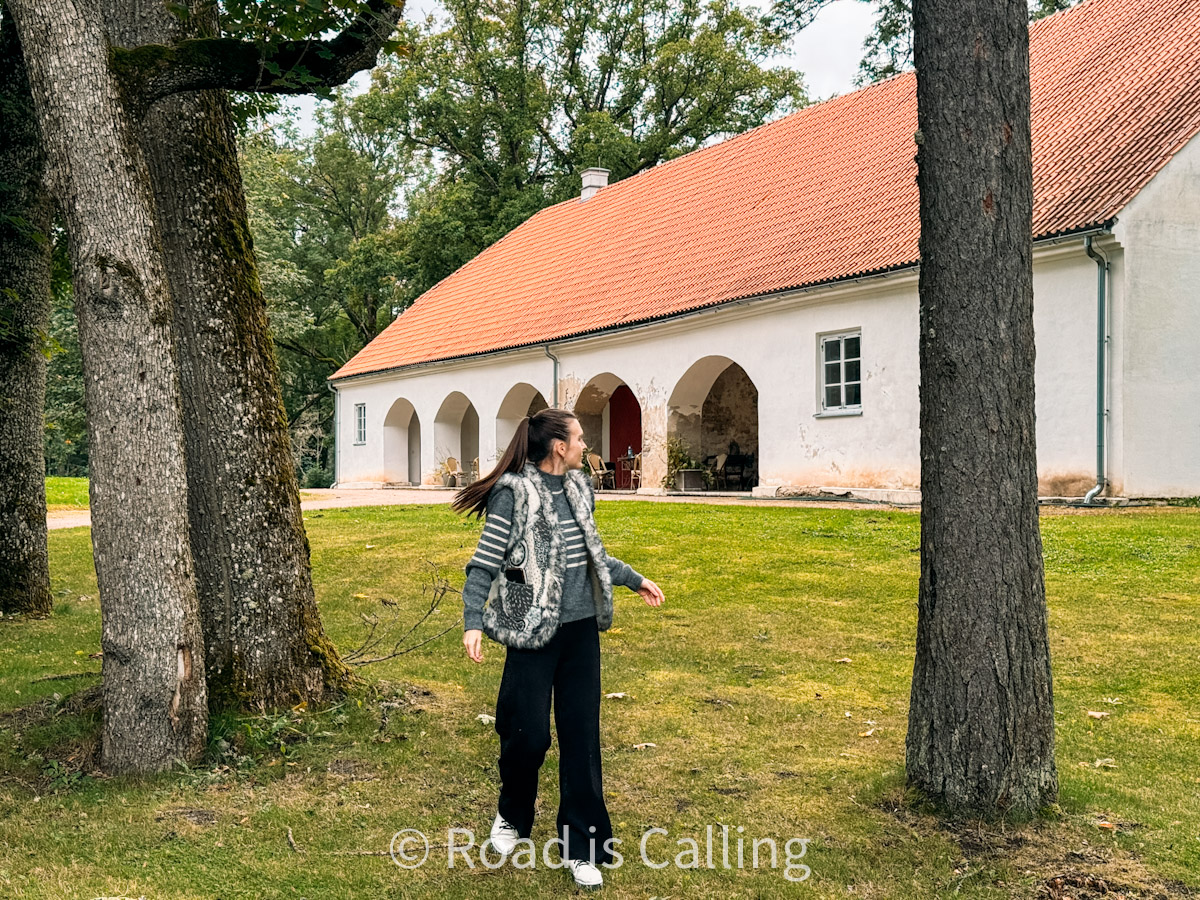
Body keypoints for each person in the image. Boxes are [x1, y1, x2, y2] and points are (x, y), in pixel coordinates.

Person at [452, 408, 665, 891]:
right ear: (558, 447)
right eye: (581, 439)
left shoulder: (580, 489)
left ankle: (584, 846)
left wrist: (633, 579)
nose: (586, 446)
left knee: (581, 738)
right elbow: (485, 560)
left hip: (580, 631)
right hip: (531, 632)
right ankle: (511, 815)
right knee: (525, 734)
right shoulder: (514, 493)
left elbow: (591, 553)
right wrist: (472, 622)